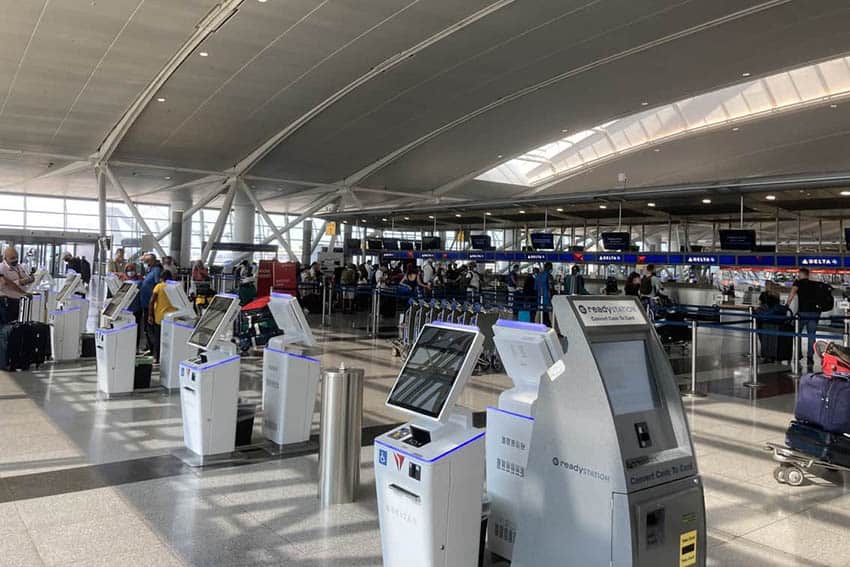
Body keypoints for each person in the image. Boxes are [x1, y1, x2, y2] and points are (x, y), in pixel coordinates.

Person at [786, 267, 823, 368]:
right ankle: (810, 357)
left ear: (801, 274)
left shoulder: (798, 283)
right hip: (815, 313)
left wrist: (786, 305)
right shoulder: (814, 284)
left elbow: (792, 294)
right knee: (811, 336)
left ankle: (798, 354)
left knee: (797, 334)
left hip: (802, 313)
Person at [0, 247, 34, 324]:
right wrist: (21, 285)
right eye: (12, 258)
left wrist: (30, 279)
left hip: (19, 301)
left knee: (16, 324)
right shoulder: (1, 268)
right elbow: (6, 283)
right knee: (7, 325)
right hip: (6, 302)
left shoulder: (19, 267)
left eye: (16, 257)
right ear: (5, 258)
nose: (15, 259)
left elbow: (26, 278)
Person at [147, 272, 176, 363]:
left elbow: (152, 301)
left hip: (159, 317)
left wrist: (150, 314)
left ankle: (157, 357)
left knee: (158, 338)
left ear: (161, 278)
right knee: (169, 340)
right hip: (172, 318)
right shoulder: (175, 287)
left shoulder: (159, 286)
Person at [139, 254, 162, 353]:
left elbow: (157, 285)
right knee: (147, 327)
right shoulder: (150, 271)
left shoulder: (156, 271)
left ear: (152, 261)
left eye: (147, 261)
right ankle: (149, 346)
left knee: (150, 327)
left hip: (150, 303)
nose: (146, 264)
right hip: (145, 302)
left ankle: (153, 349)